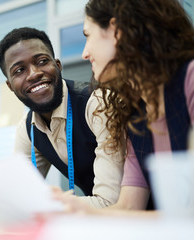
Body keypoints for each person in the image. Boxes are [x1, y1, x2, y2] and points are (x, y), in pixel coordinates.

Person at [54, 0, 194, 215]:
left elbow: (186, 216)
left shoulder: (190, 80)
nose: (84, 53)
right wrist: (70, 209)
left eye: (87, 35)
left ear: (116, 32)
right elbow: (129, 207)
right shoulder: (136, 114)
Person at [0, 27, 124, 208]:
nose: (34, 73)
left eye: (42, 61)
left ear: (58, 65)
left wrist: (48, 207)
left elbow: (111, 203)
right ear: (10, 86)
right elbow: (18, 196)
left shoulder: (98, 103)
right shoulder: (27, 128)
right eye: (19, 70)